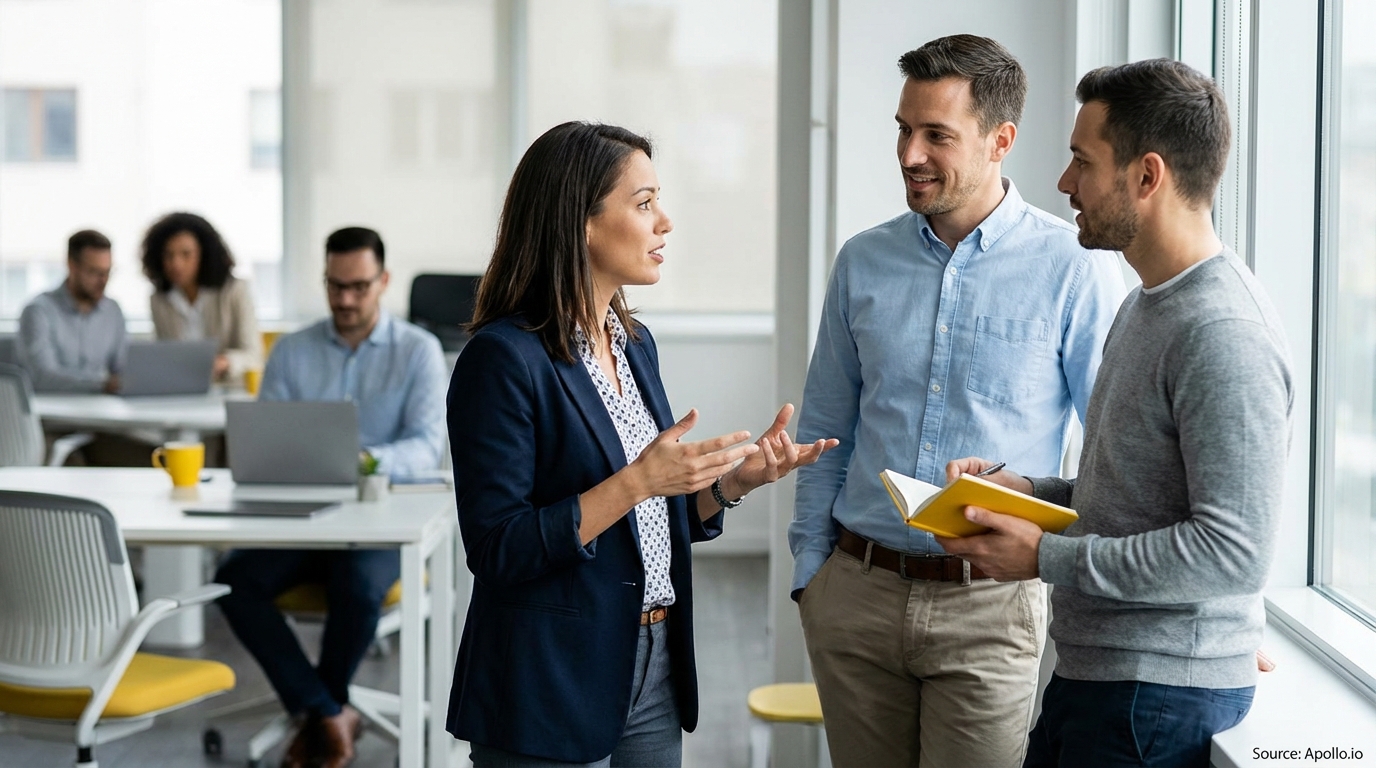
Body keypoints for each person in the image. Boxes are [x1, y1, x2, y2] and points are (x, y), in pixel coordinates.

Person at [446, 121, 838, 767]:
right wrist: (637, 480)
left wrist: (729, 485)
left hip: (653, 662)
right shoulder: (501, 359)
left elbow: (652, 517)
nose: (666, 223)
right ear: (582, 223)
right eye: (645, 202)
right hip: (550, 676)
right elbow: (497, 548)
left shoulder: (634, 343)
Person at [939, 59, 1292, 768]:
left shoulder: (1221, 330)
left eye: (1081, 160)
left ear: (1147, 176)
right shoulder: (1144, 303)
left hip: (1156, 701)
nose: (1065, 183)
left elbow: (1231, 552)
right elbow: (1141, 500)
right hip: (1106, 684)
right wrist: (1033, 494)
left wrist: (1044, 556)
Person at [789, 35, 1126, 768]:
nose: (910, 153)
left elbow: (1114, 450)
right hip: (856, 594)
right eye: (904, 130)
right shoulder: (862, 261)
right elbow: (824, 428)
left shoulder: (1075, 270)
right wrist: (811, 575)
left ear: (1000, 140)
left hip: (990, 609)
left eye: (936, 135)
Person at [214, 226, 448, 768]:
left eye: (359, 287)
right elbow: (269, 435)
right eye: (334, 286)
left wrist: (362, 459)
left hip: (382, 519)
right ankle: (329, 711)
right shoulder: (294, 350)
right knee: (233, 579)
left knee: (357, 586)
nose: (345, 299)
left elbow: (426, 446)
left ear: (383, 281)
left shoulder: (419, 352)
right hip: (302, 516)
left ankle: (320, 712)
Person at [142, 212, 263, 382]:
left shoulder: (235, 291)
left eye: (186, 254)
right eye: (168, 255)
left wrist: (223, 362)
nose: (176, 264)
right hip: (180, 392)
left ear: (204, 255)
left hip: (227, 390)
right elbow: (165, 354)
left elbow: (253, 355)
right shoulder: (159, 299)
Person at [17, 229, 126, 394]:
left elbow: (122, 370)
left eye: (107, 272)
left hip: (104, 410)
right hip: (53, 412)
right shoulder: (38, 311)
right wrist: (102, 384)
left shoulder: (113, 312)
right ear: (71, 265)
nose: (103, 281)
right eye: (94, 272)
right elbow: (42, 377)